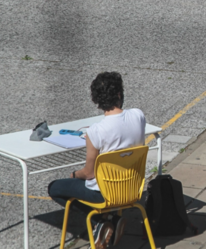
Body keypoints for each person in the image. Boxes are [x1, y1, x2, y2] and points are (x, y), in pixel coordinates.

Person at [48, 72, 146, 249]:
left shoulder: (96, 131)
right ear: (119, 94)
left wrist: (73, 174)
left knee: (54, 188)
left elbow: (89, 173)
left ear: (97, 101)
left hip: (105, 194)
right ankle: (109, 221)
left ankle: (99, 222)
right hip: (131, 188)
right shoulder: (138, 116)